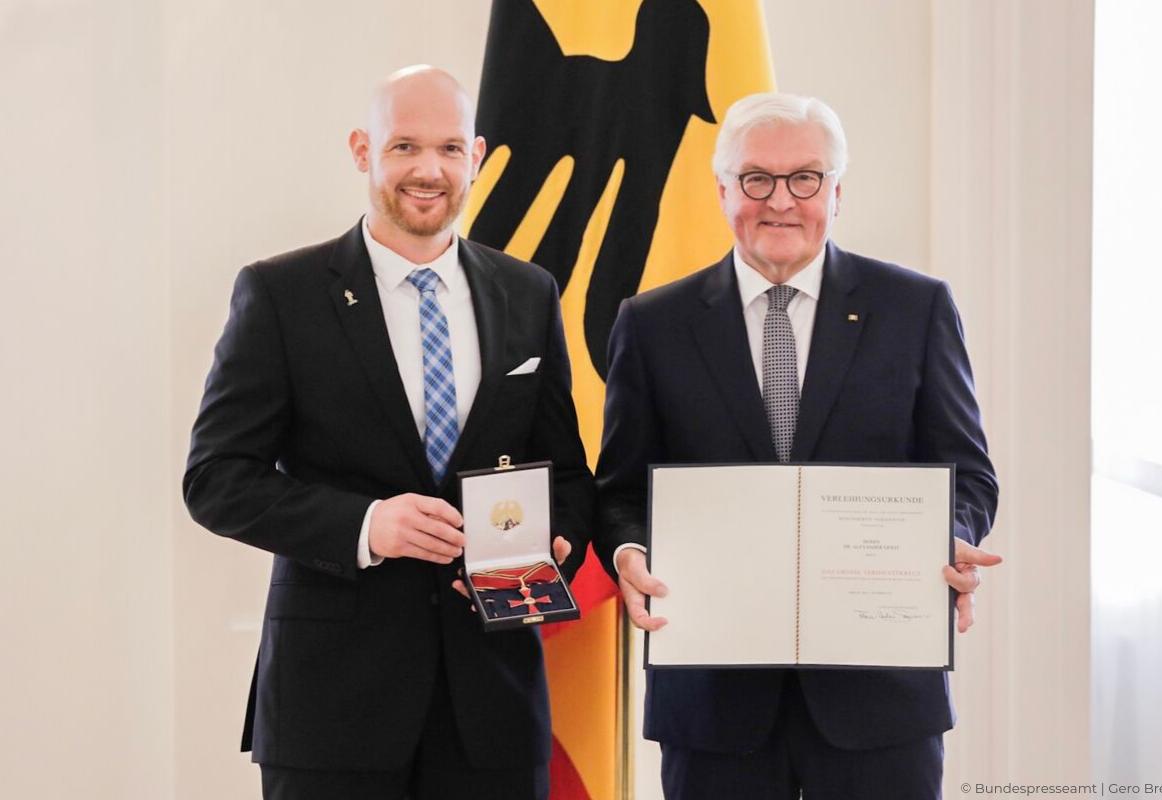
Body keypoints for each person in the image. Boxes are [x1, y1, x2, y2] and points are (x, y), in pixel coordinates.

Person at [183, 65, 592, 800]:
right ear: (362, 150)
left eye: (449, 148)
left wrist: (555, 538)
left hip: (493, 712)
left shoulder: (529, 293)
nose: (428, 170)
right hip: (332, 711)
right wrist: (368, 525)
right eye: (404, 146)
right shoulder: (281, 294)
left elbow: (564, 473)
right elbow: (215, 479)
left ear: (477, 156)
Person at [594, 93, 1001, 800]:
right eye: (756, 178)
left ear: (836, 193)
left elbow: (969, 476)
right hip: (714, 704)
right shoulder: (652, 324)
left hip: (880, 700)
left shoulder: (916, 308)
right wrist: (629, 550)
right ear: (723, 191)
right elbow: (621, 491)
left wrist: (948, 538)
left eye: (805, 178)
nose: (780, 201)